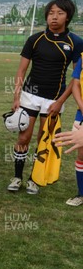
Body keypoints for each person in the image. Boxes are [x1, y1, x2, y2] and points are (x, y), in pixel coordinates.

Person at [7, 0, 83, 194]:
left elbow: (76, 78)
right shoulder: (35, 39)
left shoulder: (75, 42)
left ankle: (34, 178)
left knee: (44, 139)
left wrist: (60, 101)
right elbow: (21, 71)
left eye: (59, 13)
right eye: (51, 13)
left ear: (68, 17)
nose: (54, 17)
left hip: (54, 99)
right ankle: (17, 177)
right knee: (24, 137)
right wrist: (16, 97)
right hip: (30, 96)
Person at [54, 58, 83, 205]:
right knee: (81, 154)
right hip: (81, 113)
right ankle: (81, 194)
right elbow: (76, 85)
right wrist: (81, 105)